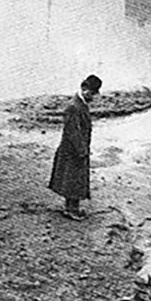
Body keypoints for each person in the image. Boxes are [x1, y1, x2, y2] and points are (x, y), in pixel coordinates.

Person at [48, 74, 102, 220]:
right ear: (84, 88)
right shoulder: (74, 106)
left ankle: (72, 207)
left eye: (94, 93)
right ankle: (71, 210)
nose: (93, 97)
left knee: (75, 180)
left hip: (76, 149)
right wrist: (82, 150)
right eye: (91, 93)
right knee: (72, 180)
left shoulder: (80, 104)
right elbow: (73, 132)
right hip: (72, 150)